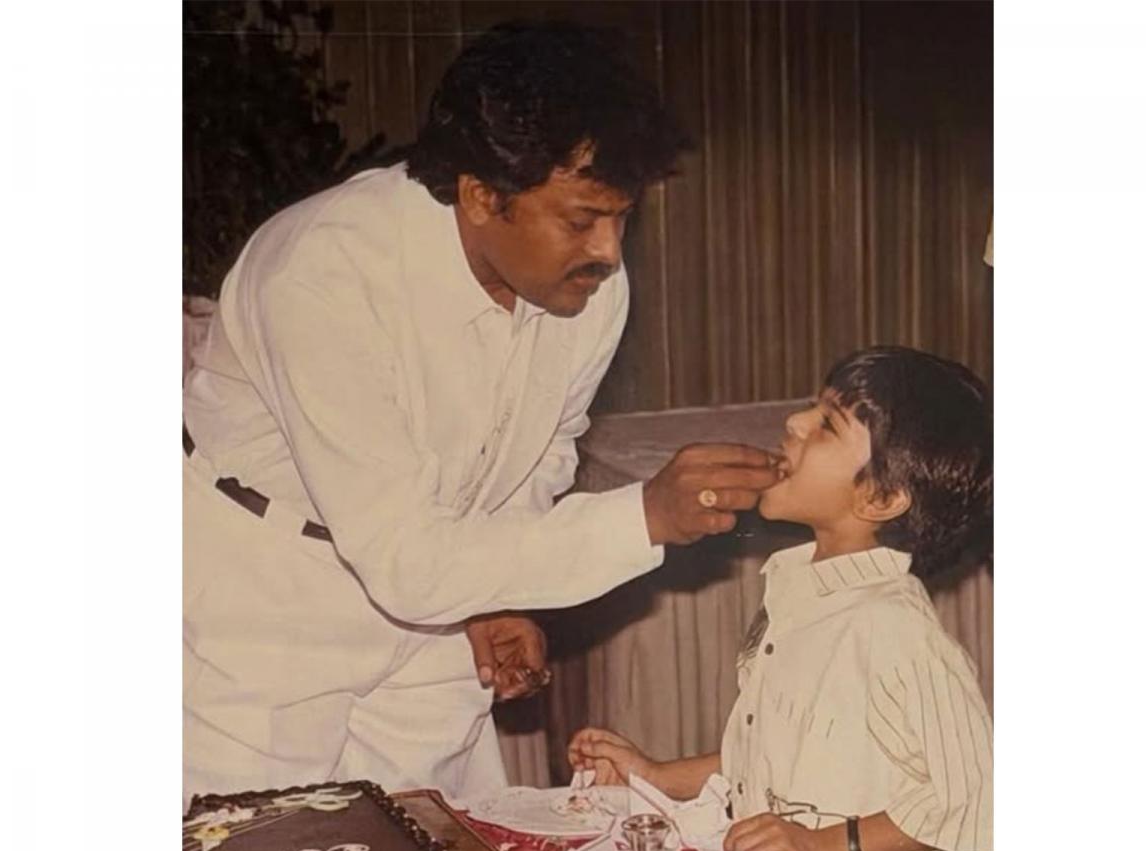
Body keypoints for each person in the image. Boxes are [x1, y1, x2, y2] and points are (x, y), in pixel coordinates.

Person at [183, 20, 780, 804]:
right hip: (265, 605)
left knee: (439, 843)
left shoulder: (590, 288)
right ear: (480, 195)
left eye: (622, 217)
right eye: (581, 219)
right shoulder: (324, 273)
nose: (609, 251)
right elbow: (407, 559)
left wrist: (495, 598)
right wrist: (642, 518)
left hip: (432, 615)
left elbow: (541, 454)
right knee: (261, 848)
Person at [569, 346, 994, 851]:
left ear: (882, 497)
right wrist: (656, 776)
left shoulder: (892, 626)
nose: (795, 422)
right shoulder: (802, 594)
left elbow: (978, 795)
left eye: (827, 425)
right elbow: (778, 756)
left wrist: (826, 847)